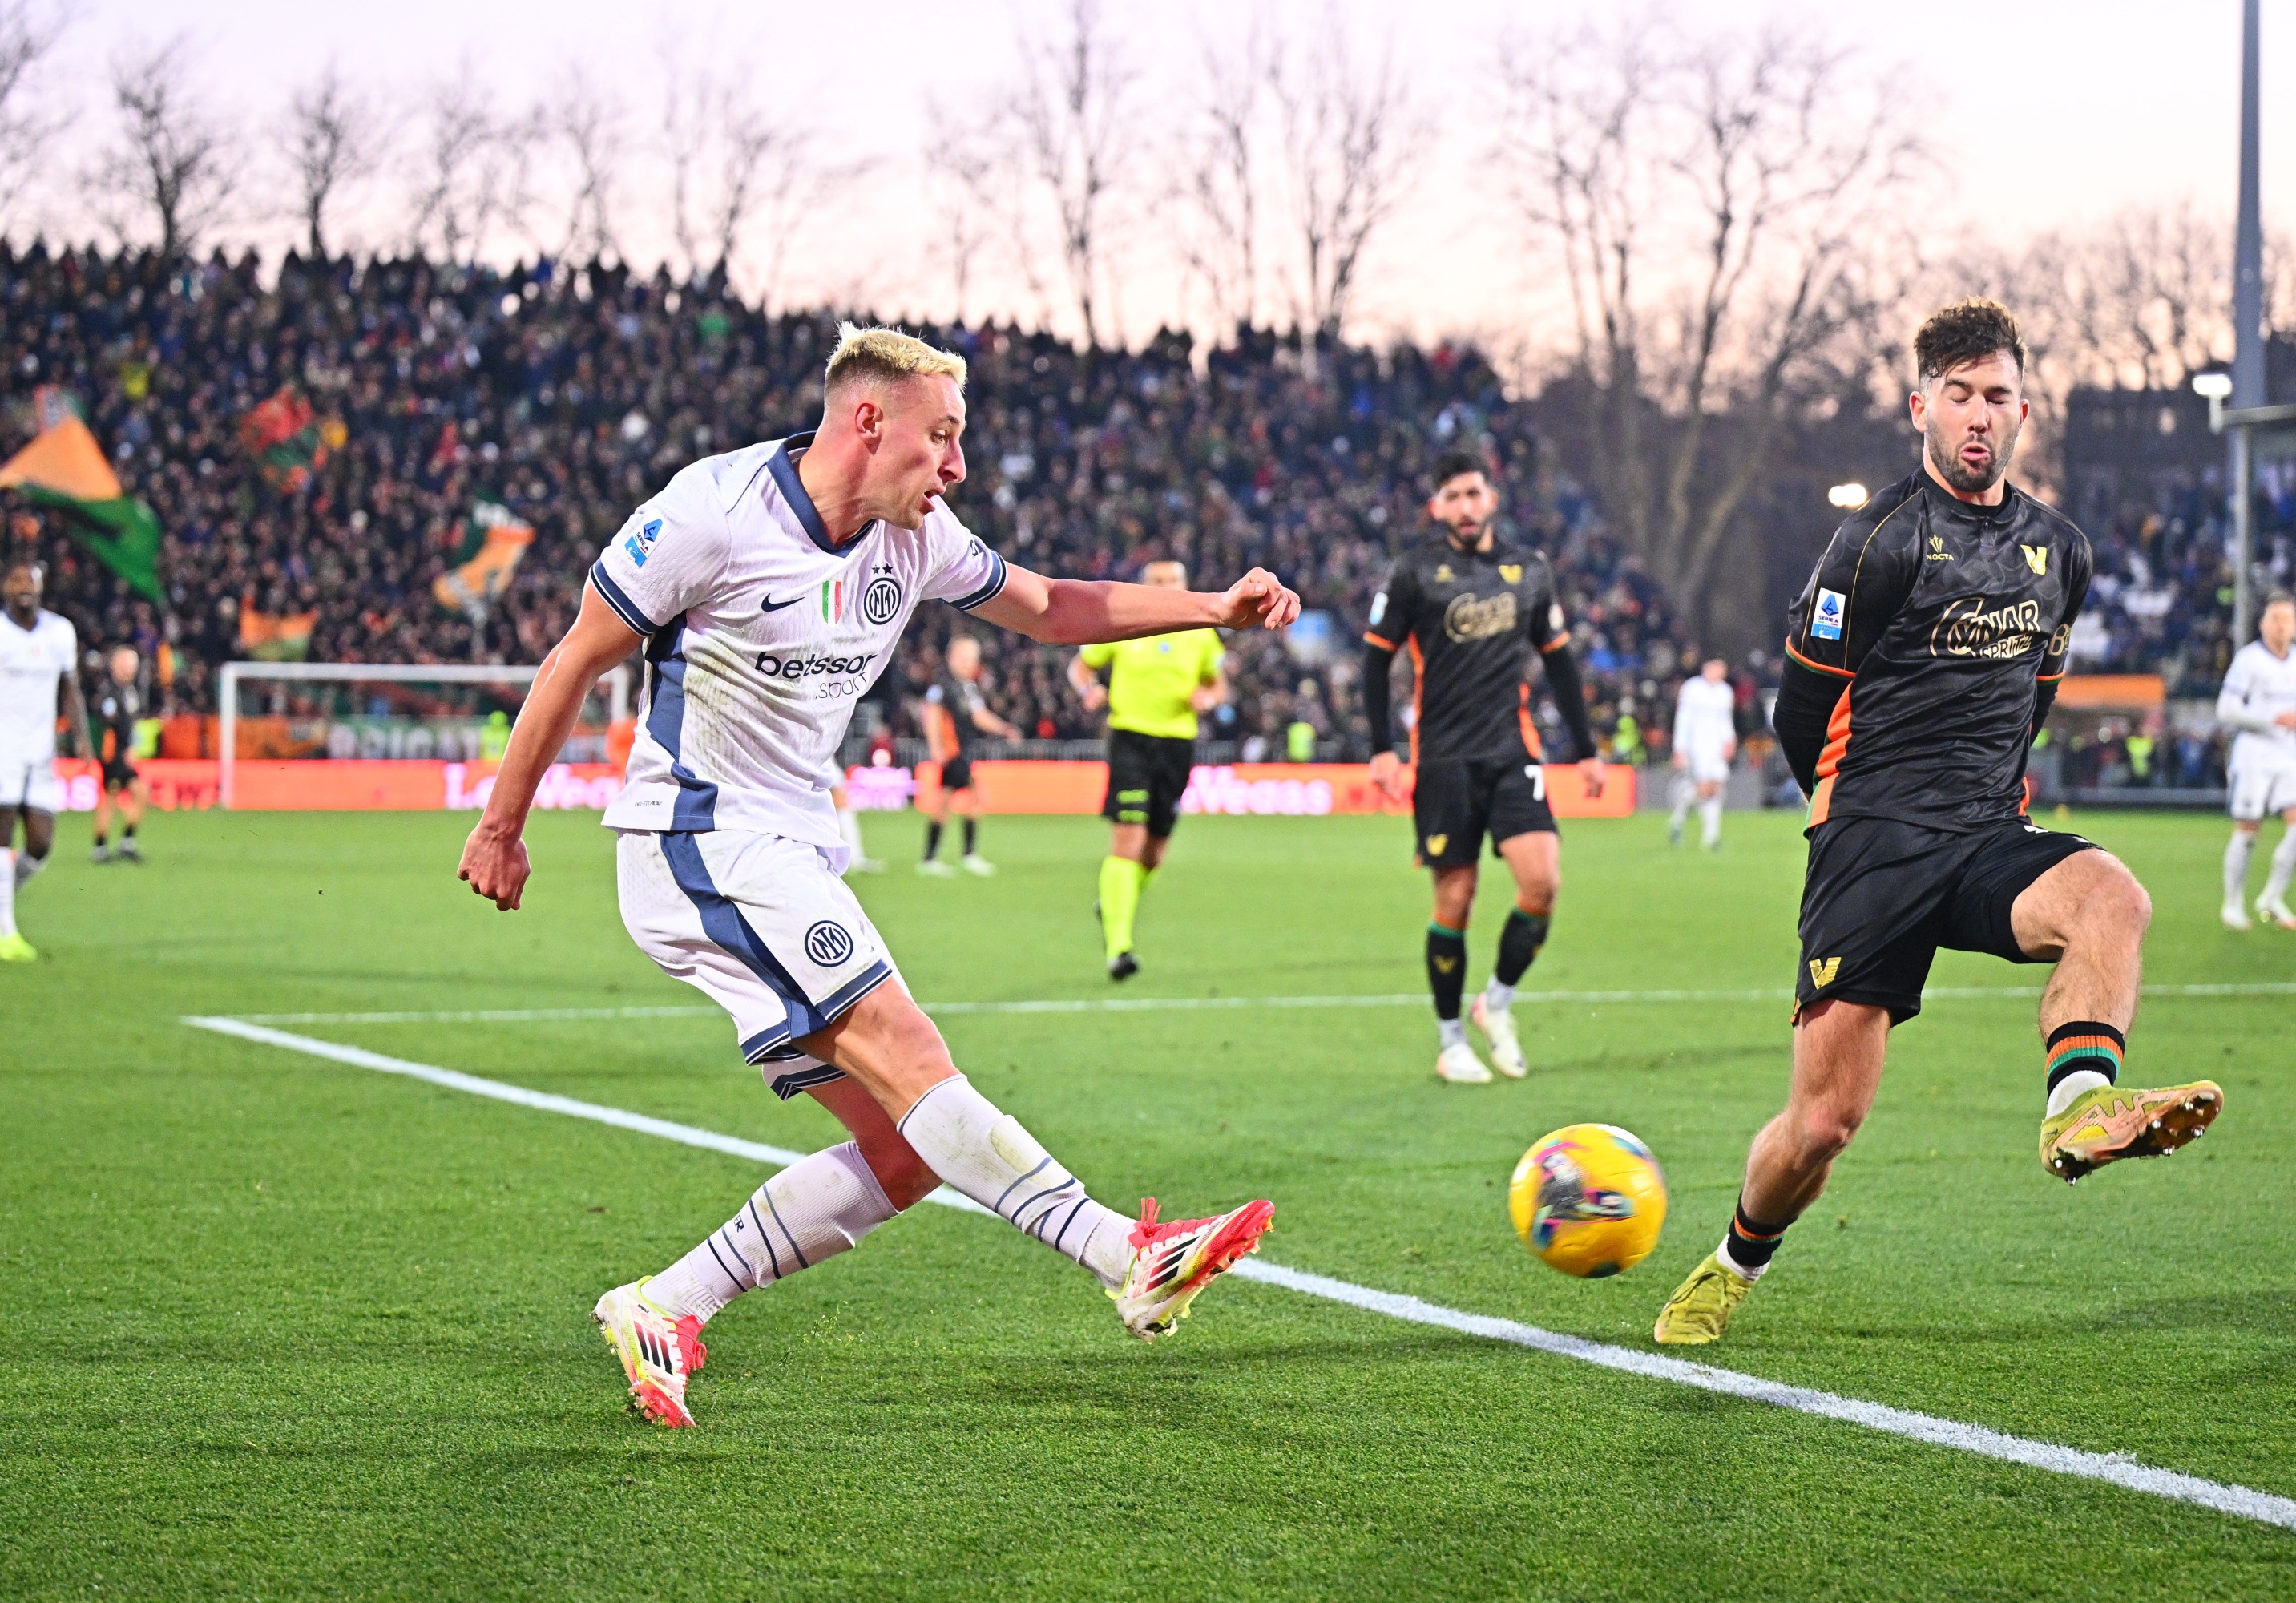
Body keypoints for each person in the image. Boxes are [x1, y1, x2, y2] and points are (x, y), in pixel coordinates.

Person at [456, 324, 1297, 1428]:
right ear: (868, 421)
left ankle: (666, 1302)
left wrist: (1210, 609)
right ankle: (1123, 1252)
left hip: (787, 849)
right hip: (699, 839)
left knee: (903, 1155)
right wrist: (503, 823)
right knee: (913, 1056)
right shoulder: (710, 514)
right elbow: (576, 653)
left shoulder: (918, 536)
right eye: (941, 437)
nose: (956, 466)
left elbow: (1049, 608)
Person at [1654, 299, 2224, 1347]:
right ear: (1919, 406)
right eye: (1956, 394)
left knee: (2112, 897)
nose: (1977, 414)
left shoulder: (2062, 550)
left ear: (2023, 413)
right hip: (1868, 846)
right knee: (1824, 1124)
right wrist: (1843, 825)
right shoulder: (1873, 540)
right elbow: (1797, 710)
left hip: (1982, 839)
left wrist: (1993, 803)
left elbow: (2038, 691)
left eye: (1996, 396)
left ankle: (2078, 1105)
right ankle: (1734, 1260)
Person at [1362, 448, 1604, 1084]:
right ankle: (1450, 1042)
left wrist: (1585, 749)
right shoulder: (1412, 573)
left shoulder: (1529, 570)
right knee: (1456, 896)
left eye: (1474, 494)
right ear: (1436, 507)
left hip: (1511, 750)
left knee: (1542, 884)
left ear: (1491, 498)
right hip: (1441, 758)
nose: (1465, 507)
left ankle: (1494, 1003)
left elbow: (1558, 662)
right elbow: (1373, 662)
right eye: (1452, 497)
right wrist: (1381, 748)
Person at [1067, 559, 1226, 980]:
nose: (1168, 587)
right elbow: (1081, 666)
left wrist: (1208, 699)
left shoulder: (1202, 634)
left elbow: (1217, 682)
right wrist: (1089, 690)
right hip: (1131, 739)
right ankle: (1119, 948)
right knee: (1128, 838)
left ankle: (1115, 900)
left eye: (1174, 580)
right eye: (1158, 581)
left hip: (1178, 745)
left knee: (1154, 854)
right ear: (1144, 587)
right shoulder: (1125, 624)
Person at [0, 557, 87, 961]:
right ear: (4, 587)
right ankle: (6, 932)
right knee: (2, 835)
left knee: (40, 844)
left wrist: (83, 739)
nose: (24, 587)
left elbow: (70, 687)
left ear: (41, 588)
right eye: (16, 580)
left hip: (41, 753)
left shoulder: (59, 632)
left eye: (31, 581)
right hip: (3, 749)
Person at [2216, 589, 2296, 931]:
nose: (2282, 625)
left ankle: (2272, 897)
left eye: (2287, 618)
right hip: (2254, 753)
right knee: (2249, 829)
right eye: (2275, 618)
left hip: (2288, 753)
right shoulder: (2249, 659)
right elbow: (2226, 709)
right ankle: (2232, 904)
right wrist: (2270, 719)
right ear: (2263, 624)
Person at [917, 634, 1017, 876]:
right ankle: (936, 859)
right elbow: (930, 715)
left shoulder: (967, 687)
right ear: (952, 658)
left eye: (972, 659)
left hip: (965, 752)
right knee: (946, 803)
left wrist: (1004, 728)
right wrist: (936, 747)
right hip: (953, 752)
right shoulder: (942, 686)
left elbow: (979, 716)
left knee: (971, 799)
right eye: (964, 658)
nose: (968, 663)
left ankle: (955, 856)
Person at [1669, 656, 1737, 850]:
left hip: (1716, 746)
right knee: (1703, 788)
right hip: (1696, 746)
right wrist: (1679, 748)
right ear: (1708, 668)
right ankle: (1678, 820)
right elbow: (1683, 719)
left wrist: (1729, 740)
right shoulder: (1692, 688)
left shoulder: (1725, 691)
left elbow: (1726, 719)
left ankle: (1710, 837)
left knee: (1715, 788)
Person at [91, 646, 150, 864]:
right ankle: (100, 848)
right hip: (114, 755)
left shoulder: (131, 691)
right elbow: (110, 724)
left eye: (132, 665)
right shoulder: (110, 692)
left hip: (126, 754)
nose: (129, 669)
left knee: (141, 793)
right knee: (110, 799)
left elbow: (132, 723)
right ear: (114, 666)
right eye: (125, 664)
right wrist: (123, 751)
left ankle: (126, 842)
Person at [827, 770, 884, 874]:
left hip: (832, 794)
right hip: (829, 796)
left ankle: (853, 859)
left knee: (845, 825)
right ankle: (852, 860)